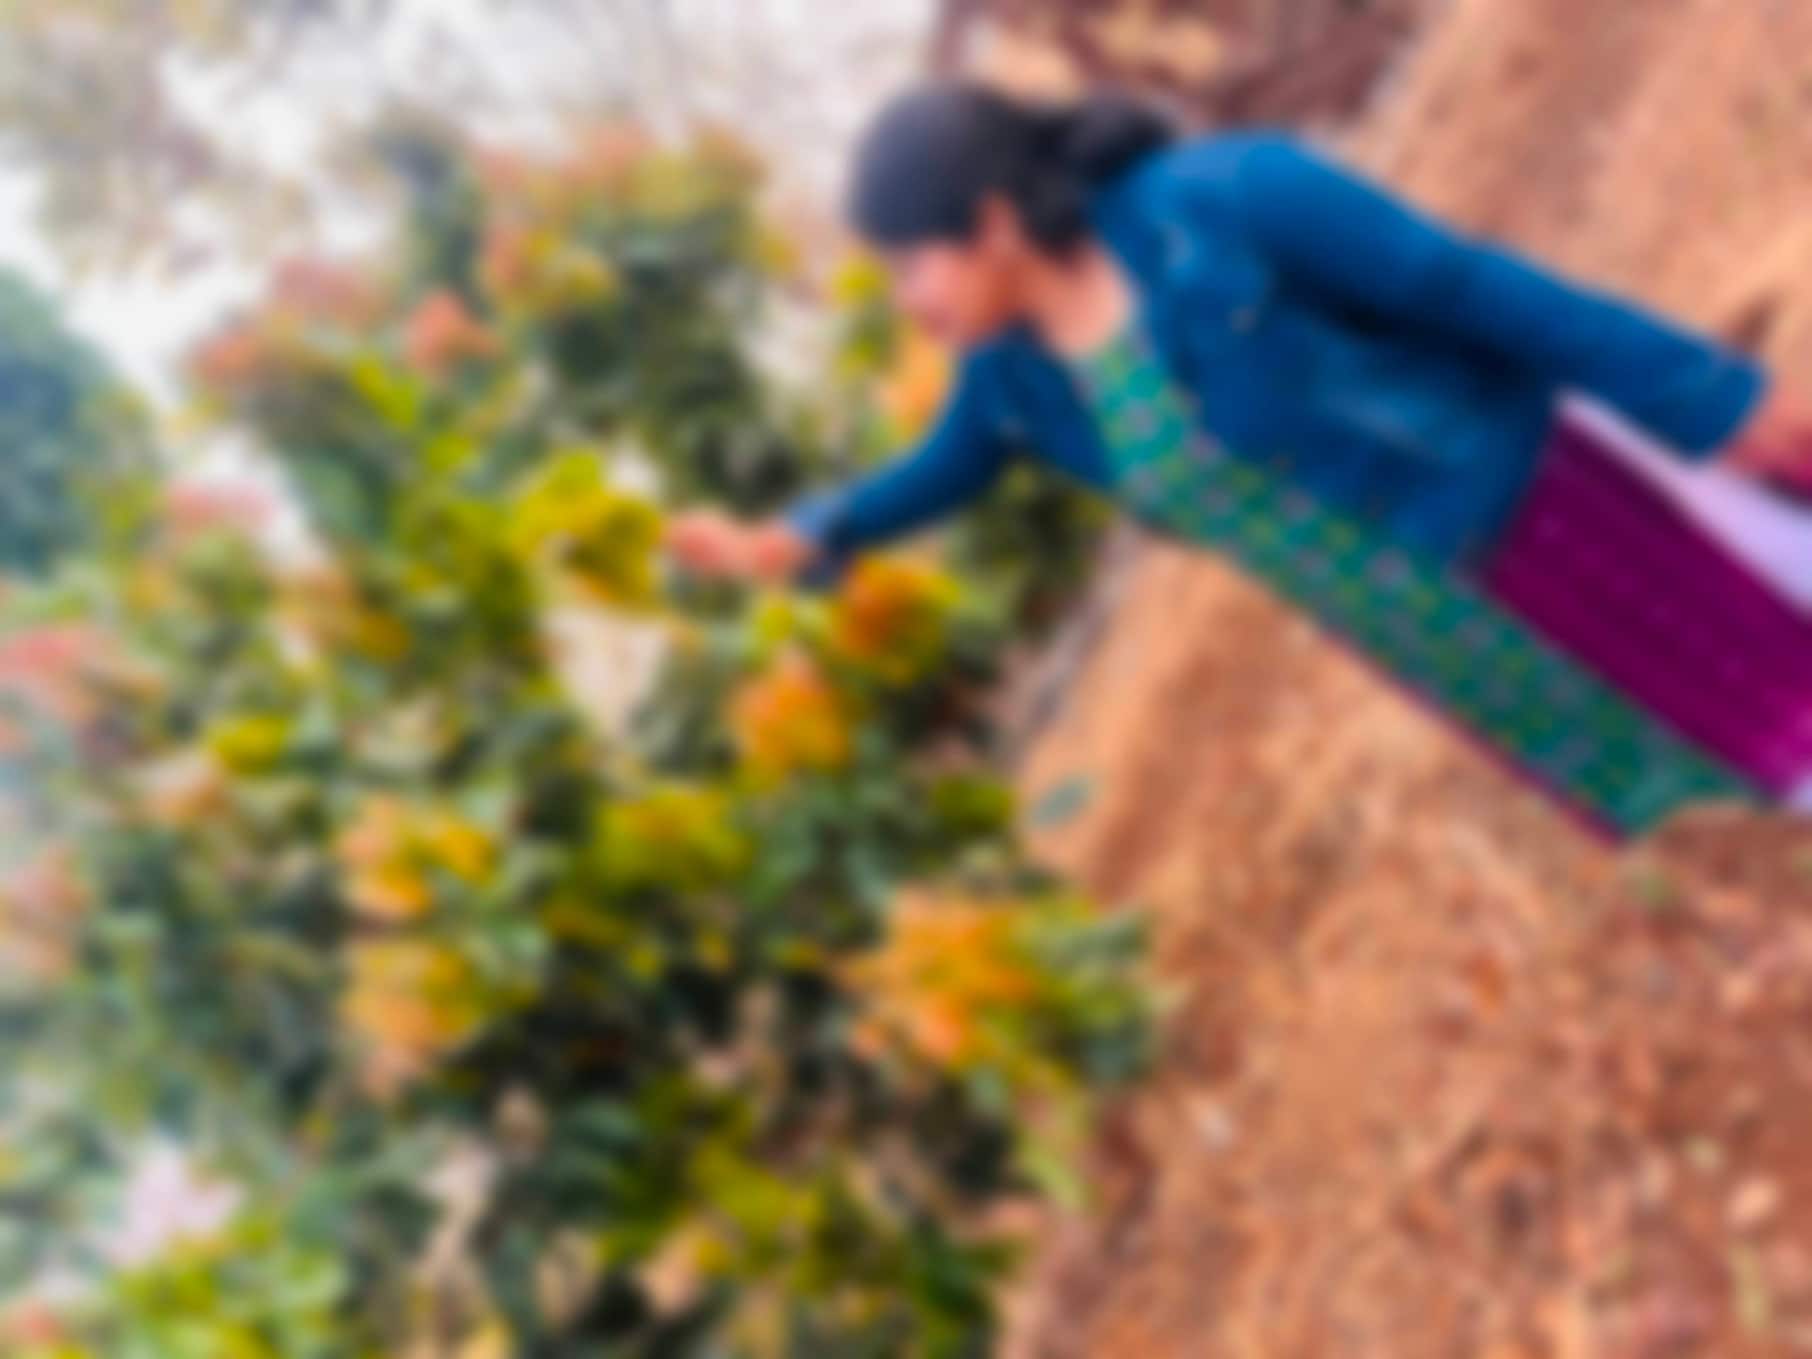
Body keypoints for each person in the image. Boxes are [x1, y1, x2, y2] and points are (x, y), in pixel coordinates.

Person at [665, 80, 1812, 839]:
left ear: (995, 222)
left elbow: (1471, 288)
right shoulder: (1014, 379)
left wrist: (1704, 397)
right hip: (1430, 624)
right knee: (1722, 785)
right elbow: (935, 470)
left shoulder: (1227, 200)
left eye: (914, 264)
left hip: (1549, 514)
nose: (908, 300)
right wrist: (793, 538)